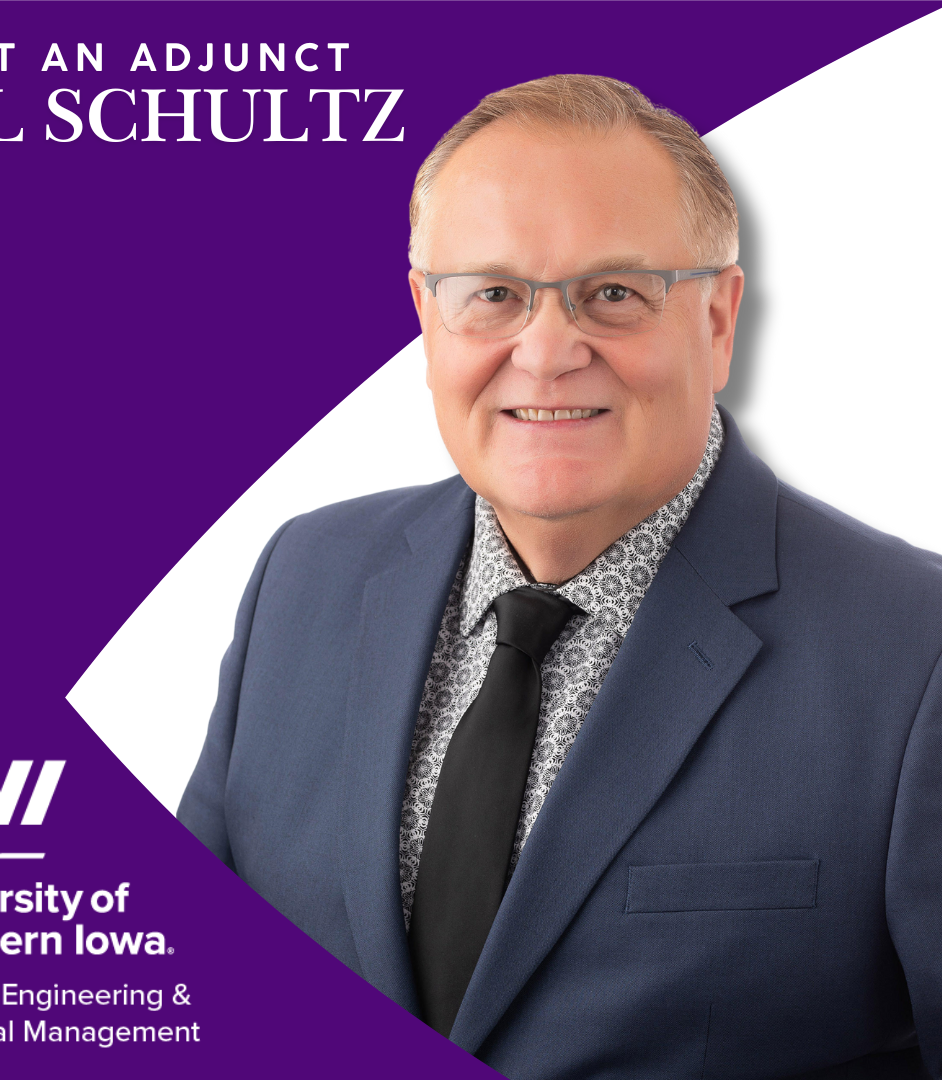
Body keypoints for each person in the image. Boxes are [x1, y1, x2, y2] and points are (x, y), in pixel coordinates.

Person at [178, 75, 942, 1078]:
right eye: (493, 294)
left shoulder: (915, 655)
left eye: (614, 293)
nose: (545, 353)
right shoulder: (303, 581)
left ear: (718, 319)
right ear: (425, 314)